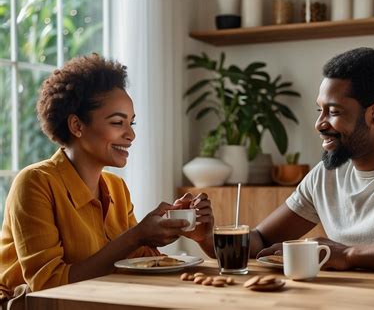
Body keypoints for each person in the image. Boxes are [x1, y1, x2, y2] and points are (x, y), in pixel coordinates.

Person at [202, 47, 374, 273]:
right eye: (320, 110)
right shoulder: (325, 175)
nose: (319, 124)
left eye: (333, 111)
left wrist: (349, 254)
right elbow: (261, 240)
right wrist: (207, 237)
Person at [0, 54, 215, 301]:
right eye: (117, 122)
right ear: (77, 126)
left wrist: (185, 232)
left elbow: (137, 264)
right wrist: (136, 236)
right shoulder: (34, 183)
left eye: (131, 123)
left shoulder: (116, 187)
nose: (131, 135)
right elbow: (48, 287)